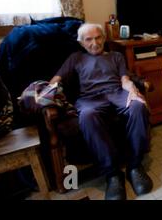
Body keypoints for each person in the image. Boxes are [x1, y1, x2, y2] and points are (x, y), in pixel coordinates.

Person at [50, 23, 152, 200]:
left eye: (98, 38)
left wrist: (134, 92)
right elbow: (56, 80)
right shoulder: (75, 58)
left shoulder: (116, 56)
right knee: (87, 116)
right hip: (90, 98)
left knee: (138, 106)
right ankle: (112, 174)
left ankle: (135, 166)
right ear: (81, 43)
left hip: (117, 92)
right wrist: (46, 91)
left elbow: (125, 80)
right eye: (88, 39)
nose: (94, 43)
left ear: (104, 39)